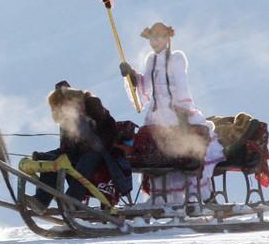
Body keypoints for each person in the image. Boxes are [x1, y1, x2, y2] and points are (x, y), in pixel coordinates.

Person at [120, 21, 224, 203]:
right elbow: (146, 90)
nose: (154, 42)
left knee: (184, 153)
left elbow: (182, 89)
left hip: (176, 114)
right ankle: (161, 200)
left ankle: (196, 198)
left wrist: (183, 113)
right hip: (155, 118)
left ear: (167, 39)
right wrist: (132, 76)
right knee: (155, 155)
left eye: (159, 37)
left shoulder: (177, 58)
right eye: (152, 38)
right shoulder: (150, 60)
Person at [21, 81, 132, 213]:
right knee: (51, 162)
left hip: (102, 152)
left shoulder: (92, 103)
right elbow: (66, 148)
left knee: (85, 163)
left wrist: (93, 141)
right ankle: (41, 201)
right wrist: (45, 156)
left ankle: (72, 202)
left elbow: (109, 129)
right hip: (79, 152)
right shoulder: (66, 119)